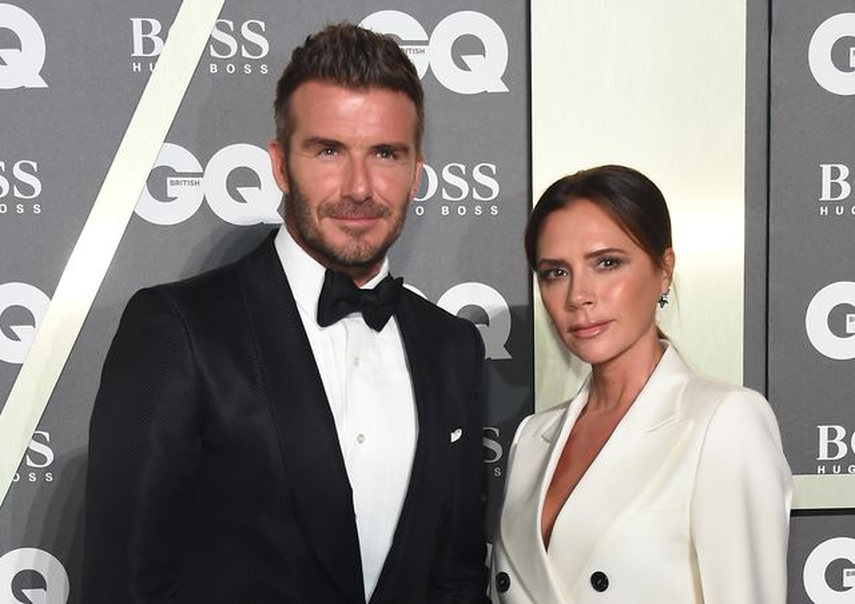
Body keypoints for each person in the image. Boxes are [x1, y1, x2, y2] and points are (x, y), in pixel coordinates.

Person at [82, 23, 489, 604]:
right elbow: (124, 587)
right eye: (328, 151)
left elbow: (456, 577)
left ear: (416, 171)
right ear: (279, 164)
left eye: (385, 153)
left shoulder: (453, 347)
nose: (359, 187)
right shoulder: (179, 331)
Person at [490, 165, 791, 603]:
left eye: (606, 263)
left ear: (664, 270)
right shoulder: (532, 438)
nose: (579, 296)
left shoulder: (724, 422)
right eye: (555, 272)